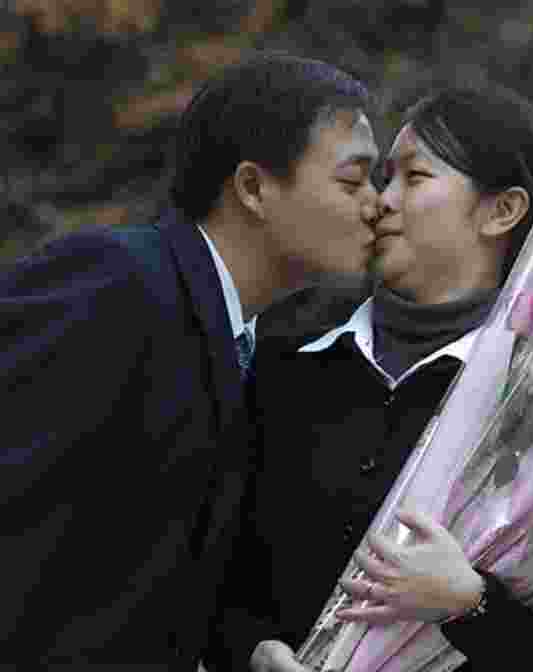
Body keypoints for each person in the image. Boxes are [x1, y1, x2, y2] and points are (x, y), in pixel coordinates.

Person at [0, 52, 380, 670]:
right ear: (254, 187)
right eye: (352, 180)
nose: (376, 204)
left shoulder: (242, 347)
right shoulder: (118, 283)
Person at [207, 86, 533, 672]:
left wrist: (471, 604)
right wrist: (252, 653)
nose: (379, 201)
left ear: (501, 211)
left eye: (413, 177)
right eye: (382, 178)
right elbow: (200, 569)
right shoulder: (282, 366)